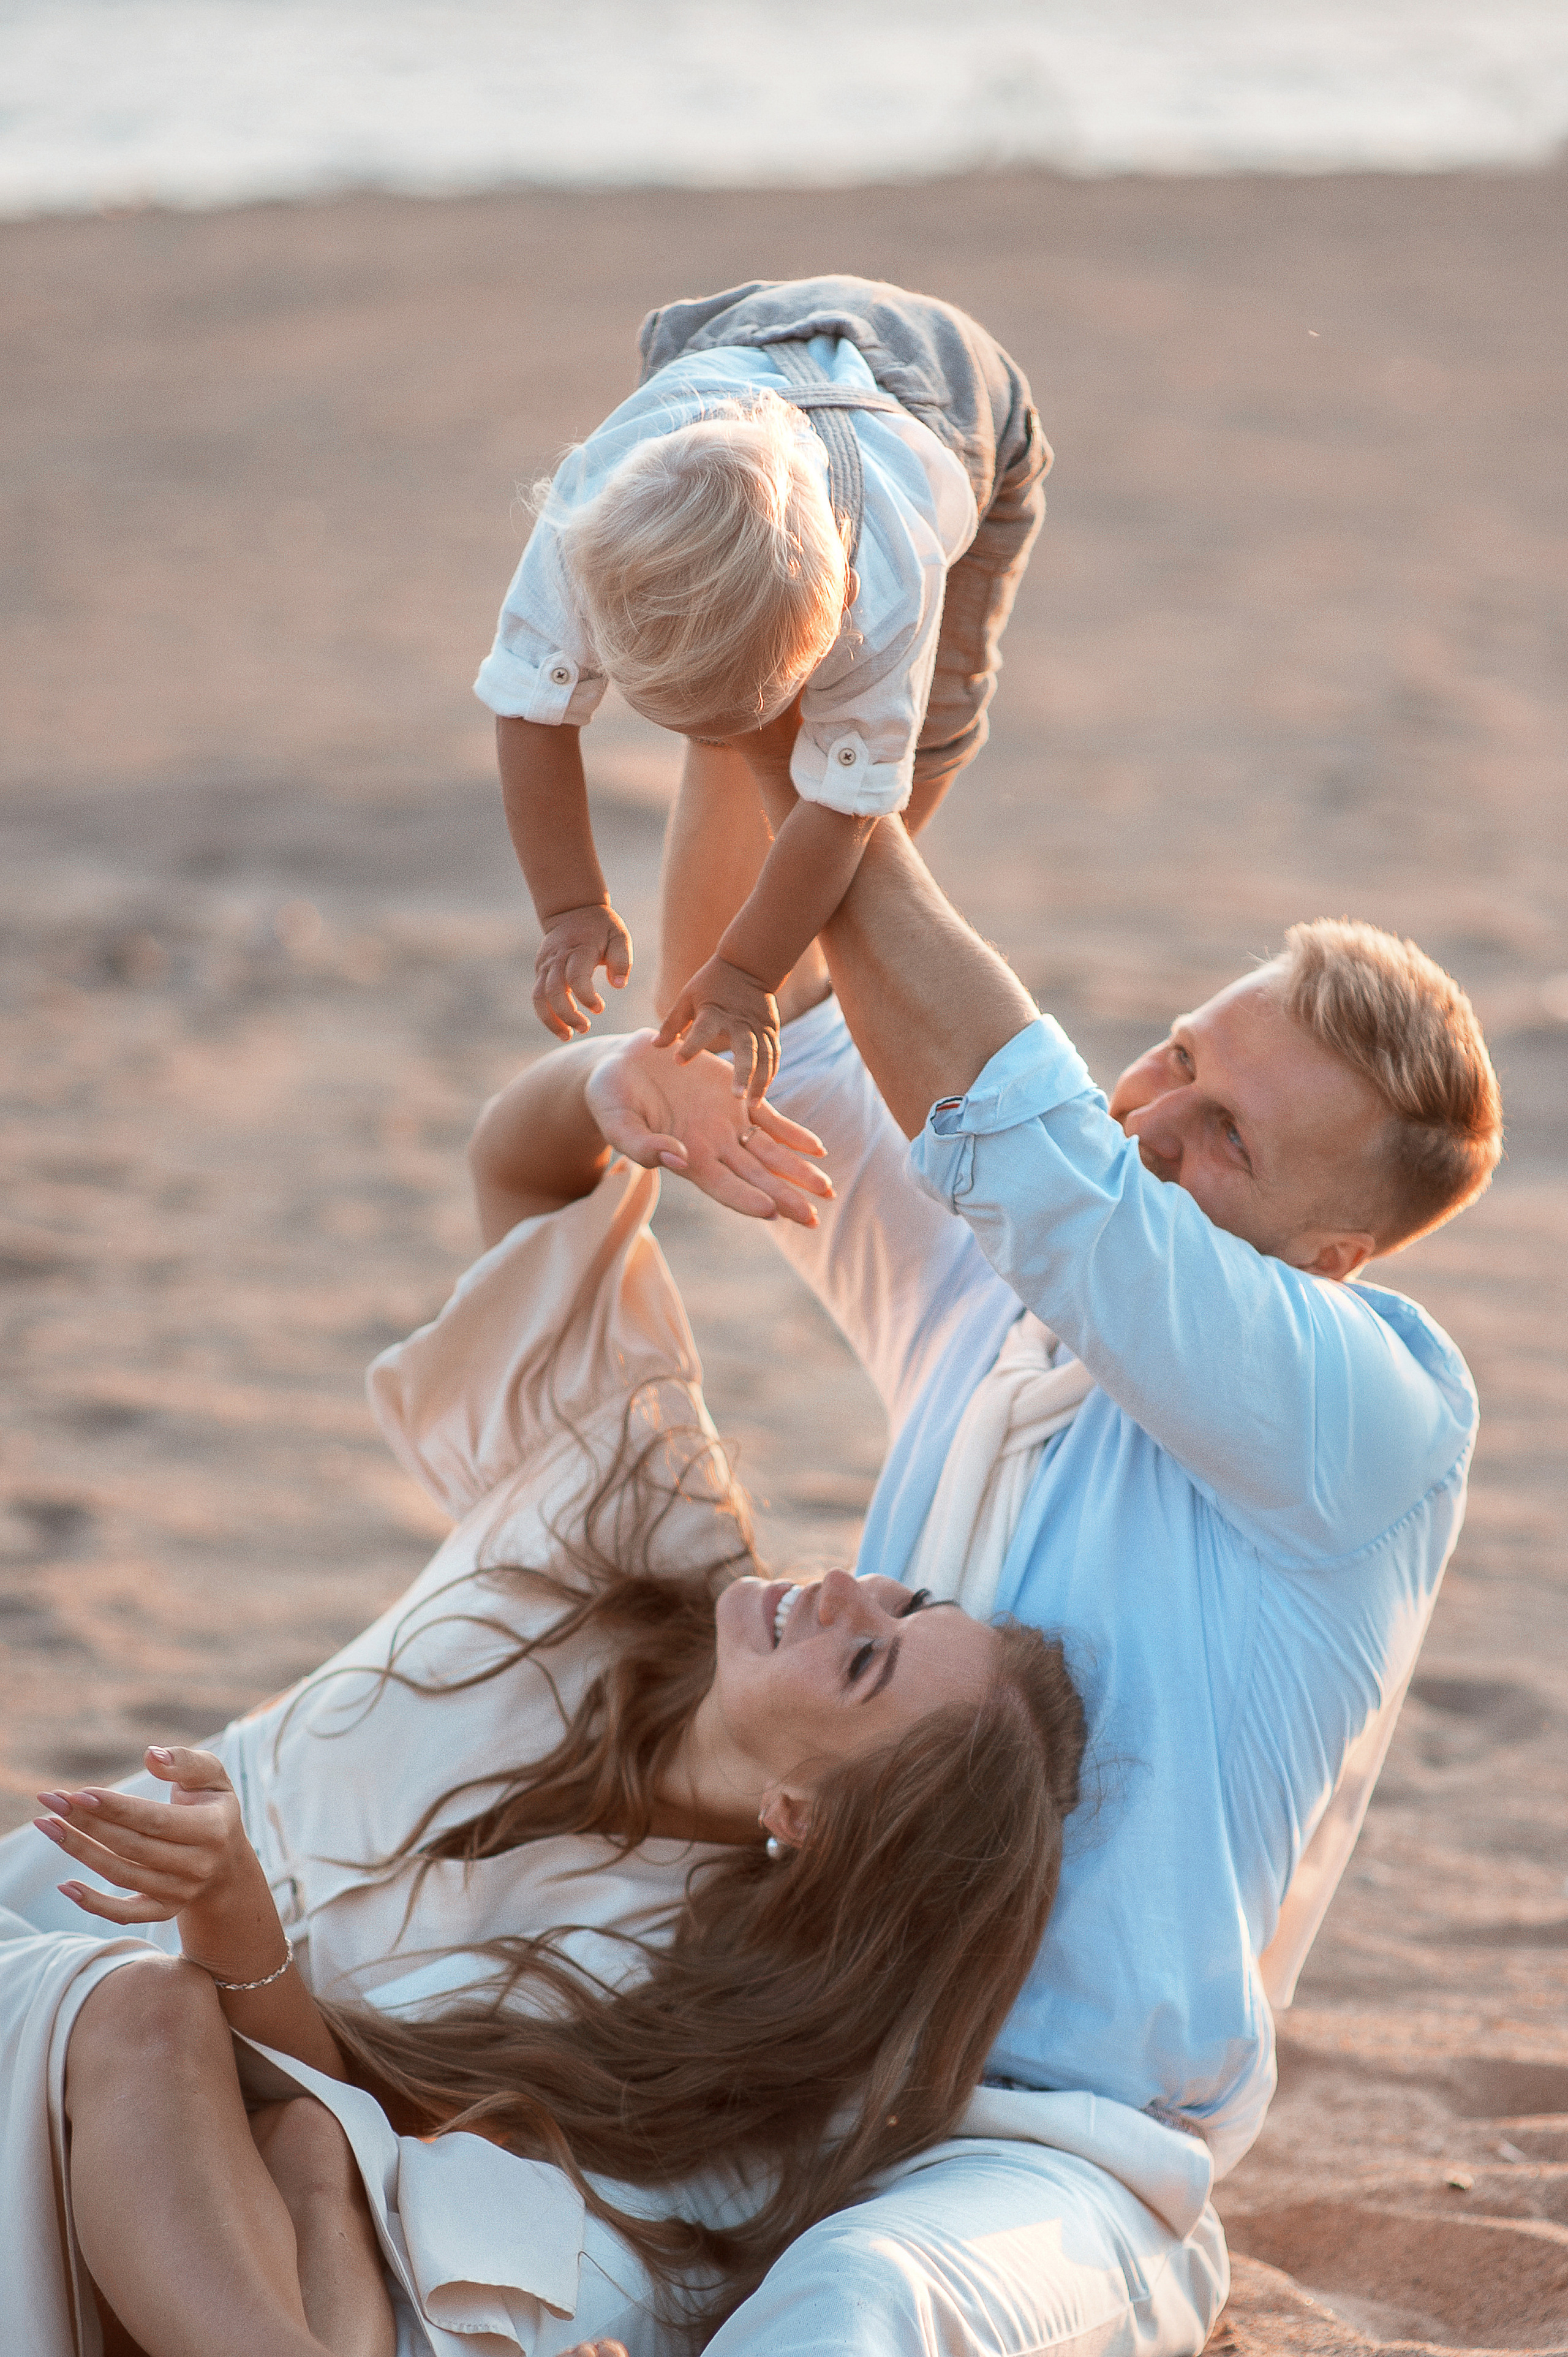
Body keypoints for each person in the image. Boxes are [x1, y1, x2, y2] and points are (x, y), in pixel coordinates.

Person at [617, 728, 1503, 2354]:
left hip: (1060, 2165)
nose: (1156, 1119)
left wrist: (826, 739)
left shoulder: (1370, 1415)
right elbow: (747, 1014)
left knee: (855, 2310)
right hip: (792, 2054)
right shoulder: (1005, 1288)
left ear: (1338, 1251)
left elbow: (1041, 1150)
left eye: (1228, 1132)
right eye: (1176, 1055)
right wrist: (730, 696)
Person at [0, 1033, 1088, 2357]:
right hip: (46, 1958)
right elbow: (525, 1180)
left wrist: (230, 1905)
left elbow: (333, 2099)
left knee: (295, 2141)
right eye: (905, 1601)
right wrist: (608, 1084)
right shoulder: (640, 1533)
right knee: (179, 2041)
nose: (851, 1590)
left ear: (804, 1813)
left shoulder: (690, 1992)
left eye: (865, 1661)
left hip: (180, 2127)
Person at [475, 274, 1050, 1098]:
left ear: (842, 609)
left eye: (732, 721)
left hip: (955, 401)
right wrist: (570, 907)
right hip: (739, 342)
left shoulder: (889, 583)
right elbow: (529, 715)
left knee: (923, 741)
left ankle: (820, 922)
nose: (709, 744)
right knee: (734, 687)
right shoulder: (587, 517)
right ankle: (738, 710)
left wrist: (746, 972)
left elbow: (845, 810)